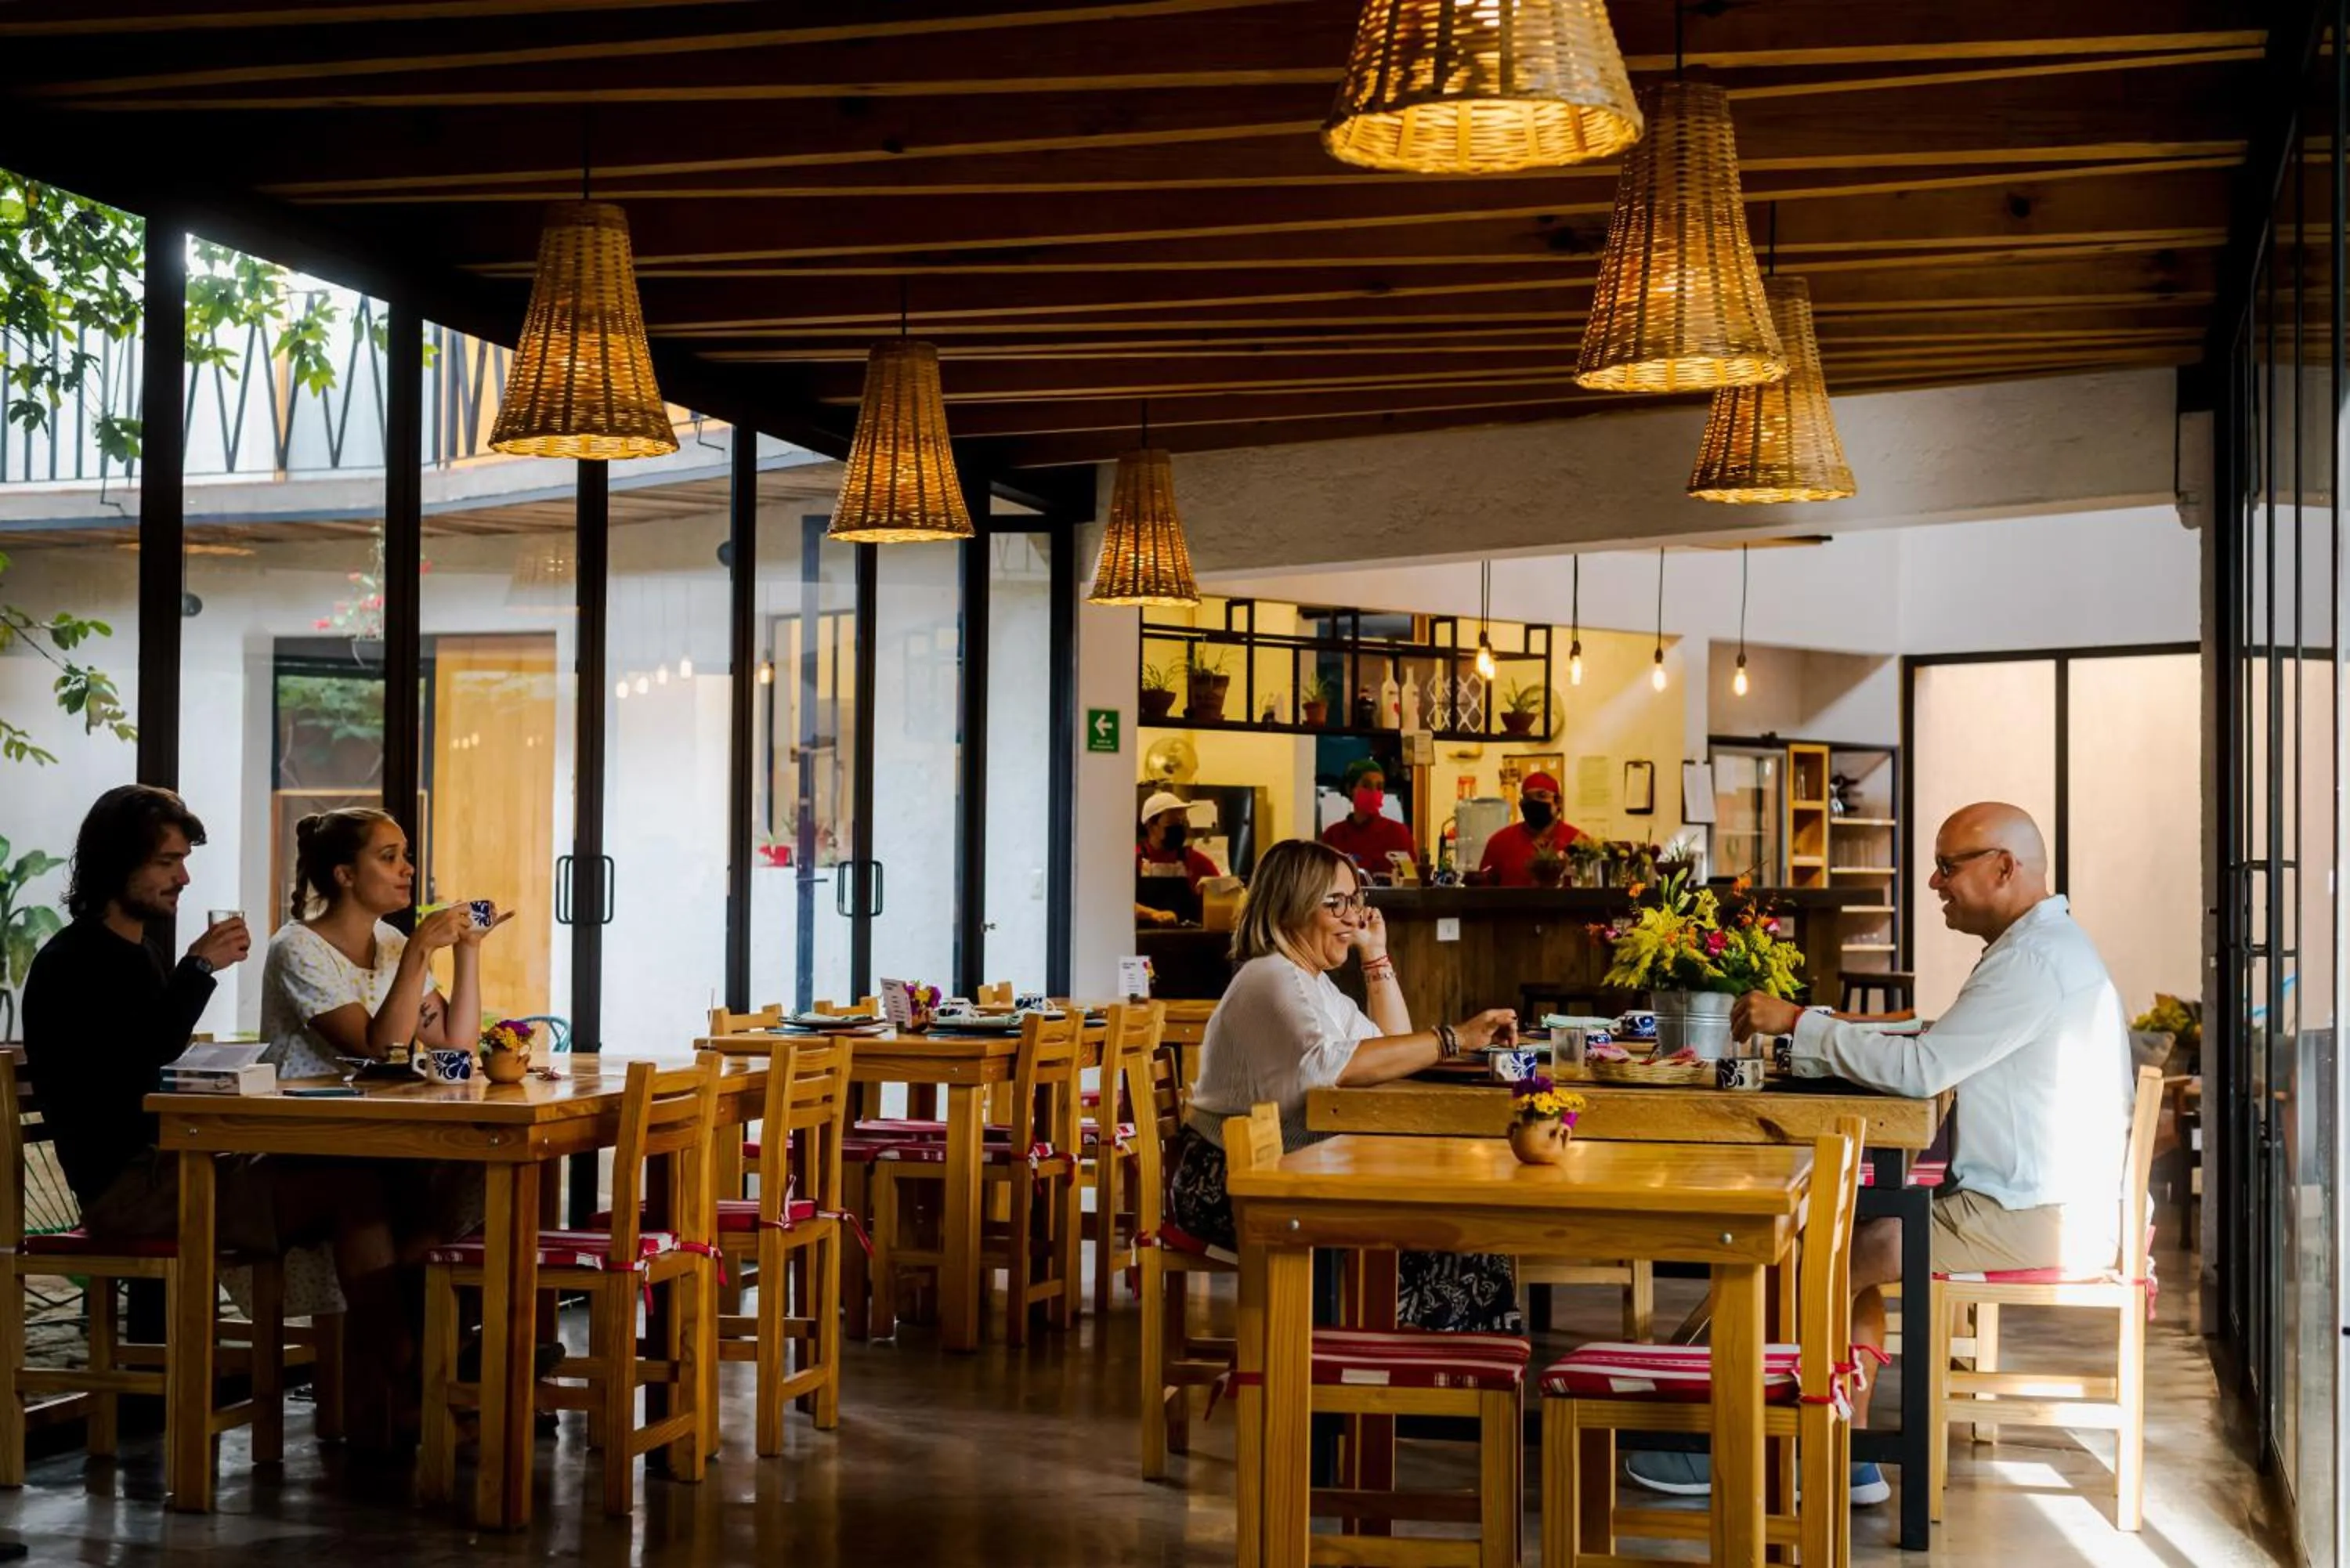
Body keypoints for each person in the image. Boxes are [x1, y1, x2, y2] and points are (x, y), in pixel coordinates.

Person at [1634, 802, 2131, 1507]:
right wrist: (1832, 1026)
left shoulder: (2034, 960)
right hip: (2036, 1198)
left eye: (1947, 866)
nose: (1934, 882)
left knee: (1812, 1252)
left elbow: (1925, 1069)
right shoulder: (2038, 948)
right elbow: (1944, 1038)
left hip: (2038, 1213)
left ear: (2003, 867)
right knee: (1841, 1240)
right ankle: (1844, 1454)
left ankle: (1728, 1439)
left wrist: (1802, 1022)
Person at [20, 786, 408, 1440]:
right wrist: (198, 968)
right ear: (118, 865)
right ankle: (406, 1382)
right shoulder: (73, 961)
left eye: (183, 861)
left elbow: (156, 1062)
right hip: (129, 1189)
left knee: (380, 1180)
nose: (184, 877)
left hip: (178, 1168)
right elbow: (133, 1073)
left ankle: (393, 1389)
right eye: (168, 862)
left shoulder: (138, 954)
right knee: (355, 1189)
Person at [1166, 838, 1522, 1331]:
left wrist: (1375, 957)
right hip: (1226, 1182)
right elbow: (1329, 1066)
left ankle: (1429, 1365)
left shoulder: (1311, 981)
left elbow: (1391, 1050)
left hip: (1279, 1170)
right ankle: (1406, 1365)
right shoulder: (1271, 976)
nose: (1354, 917)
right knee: (1448, 1232)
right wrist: (1454, 1038)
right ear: (1291, 906)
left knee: (1457, 1225)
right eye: (1337, 903)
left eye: (1356, 900)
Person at [260, 807, 511, 1082]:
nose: (408, 869)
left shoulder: (390, 940)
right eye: (389, 857)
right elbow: (381, 1053)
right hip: (302, 1108)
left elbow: (457, 1047)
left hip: (373, 1104)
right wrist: (420, 946)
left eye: (405, 856)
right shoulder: (296, 947)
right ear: (345, 875)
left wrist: (468, 947)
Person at [1476, 771, 1583, 886]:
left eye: (1542, 796)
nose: (1534, 802)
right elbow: (1482, 888)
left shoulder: (1578, 842)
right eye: (1528, 798)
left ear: (1558, 802)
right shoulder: (1500, 842)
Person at [1134, 789, 1220, 927]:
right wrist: (1153, 914)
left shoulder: (1197, 861)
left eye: (1182, 822)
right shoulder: (1133, 860)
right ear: (1151, 826)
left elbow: (1222, 896)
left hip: (1189, 938)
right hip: (1144, 939)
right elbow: (1115, 901)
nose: (1179, 828)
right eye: (1172, 823)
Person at [1319, 757, 1416, 876]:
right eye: (1366, 786)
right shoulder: (1333, 836)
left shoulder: (1398, 834)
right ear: (1350, 789)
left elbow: (1411, 879)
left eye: (1379, 787)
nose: (1374, 792)